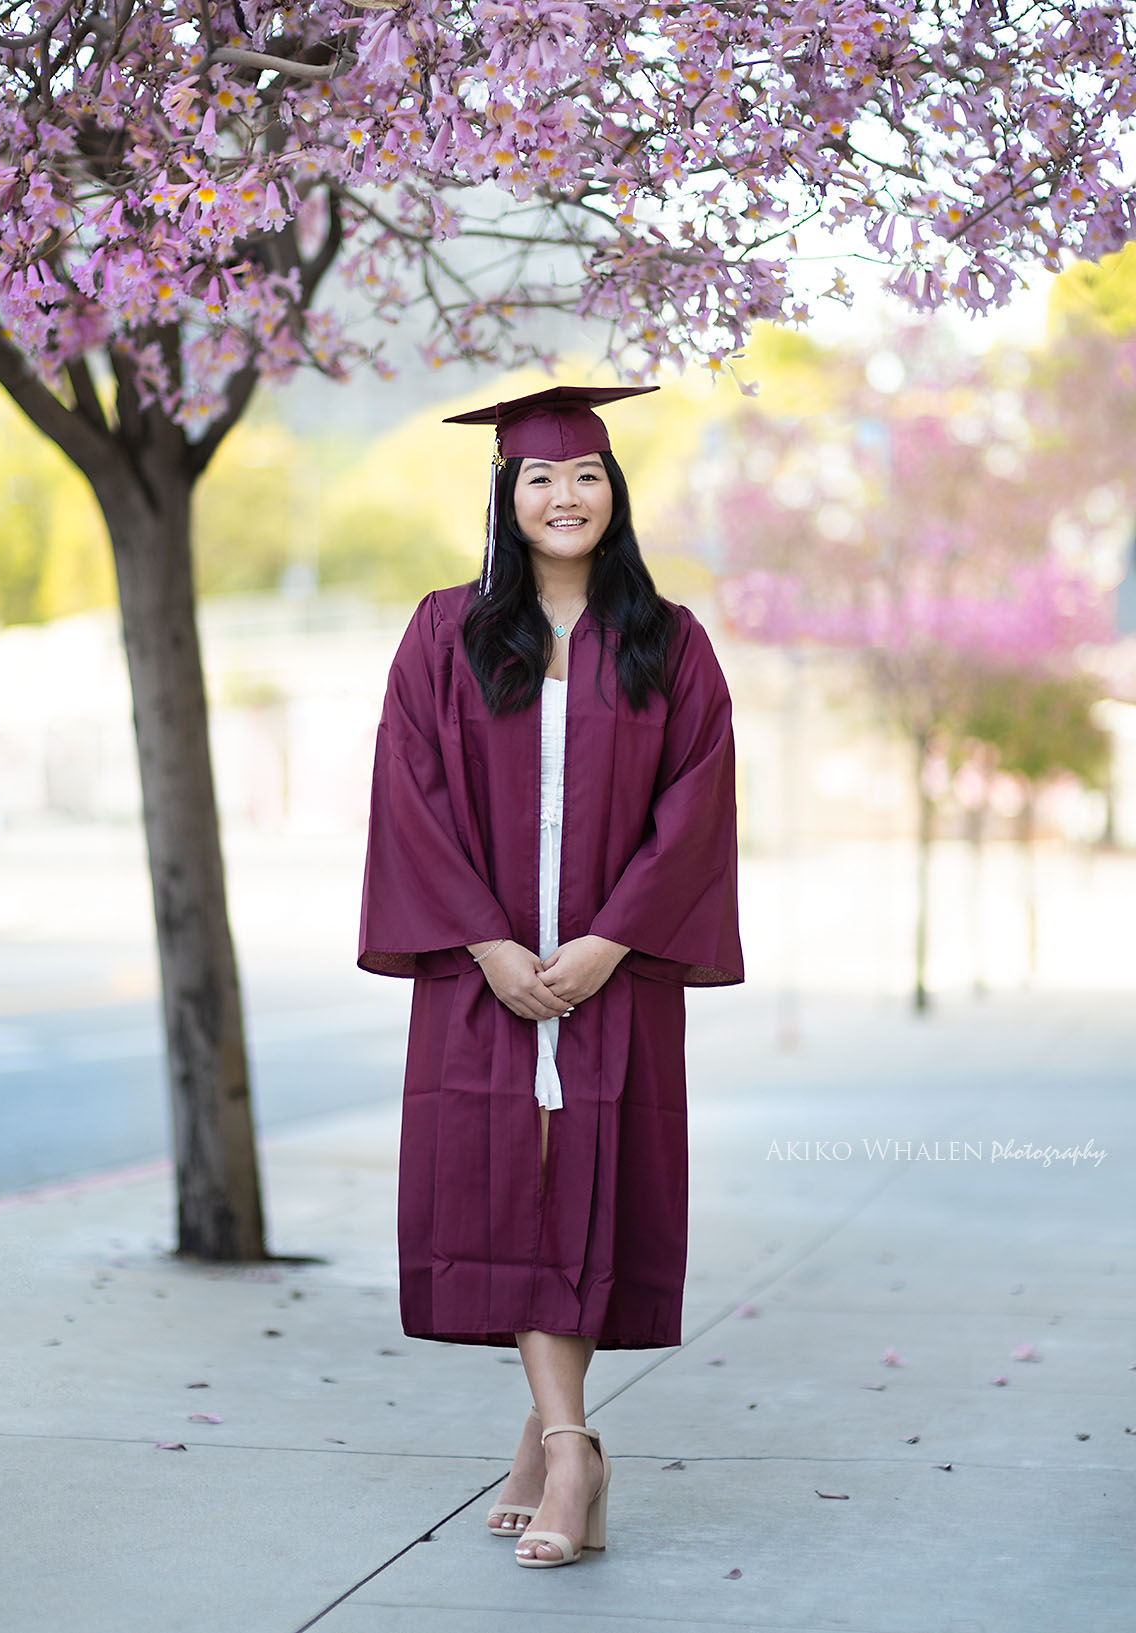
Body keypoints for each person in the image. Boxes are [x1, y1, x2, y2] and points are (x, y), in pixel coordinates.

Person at [358, 383, 744, 1568]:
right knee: (511, 1186)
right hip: (486, 975)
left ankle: (551, 1439)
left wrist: (610, 942)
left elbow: (695, 804)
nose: (563, 495)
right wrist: (486, 945)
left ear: (614, 491)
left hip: (607, 973)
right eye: (538, 477)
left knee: (582, 1185)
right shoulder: (445, 632)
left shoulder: (669, 639)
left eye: (584, 475)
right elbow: (410, 794)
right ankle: (573, 1443)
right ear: (505, 494)